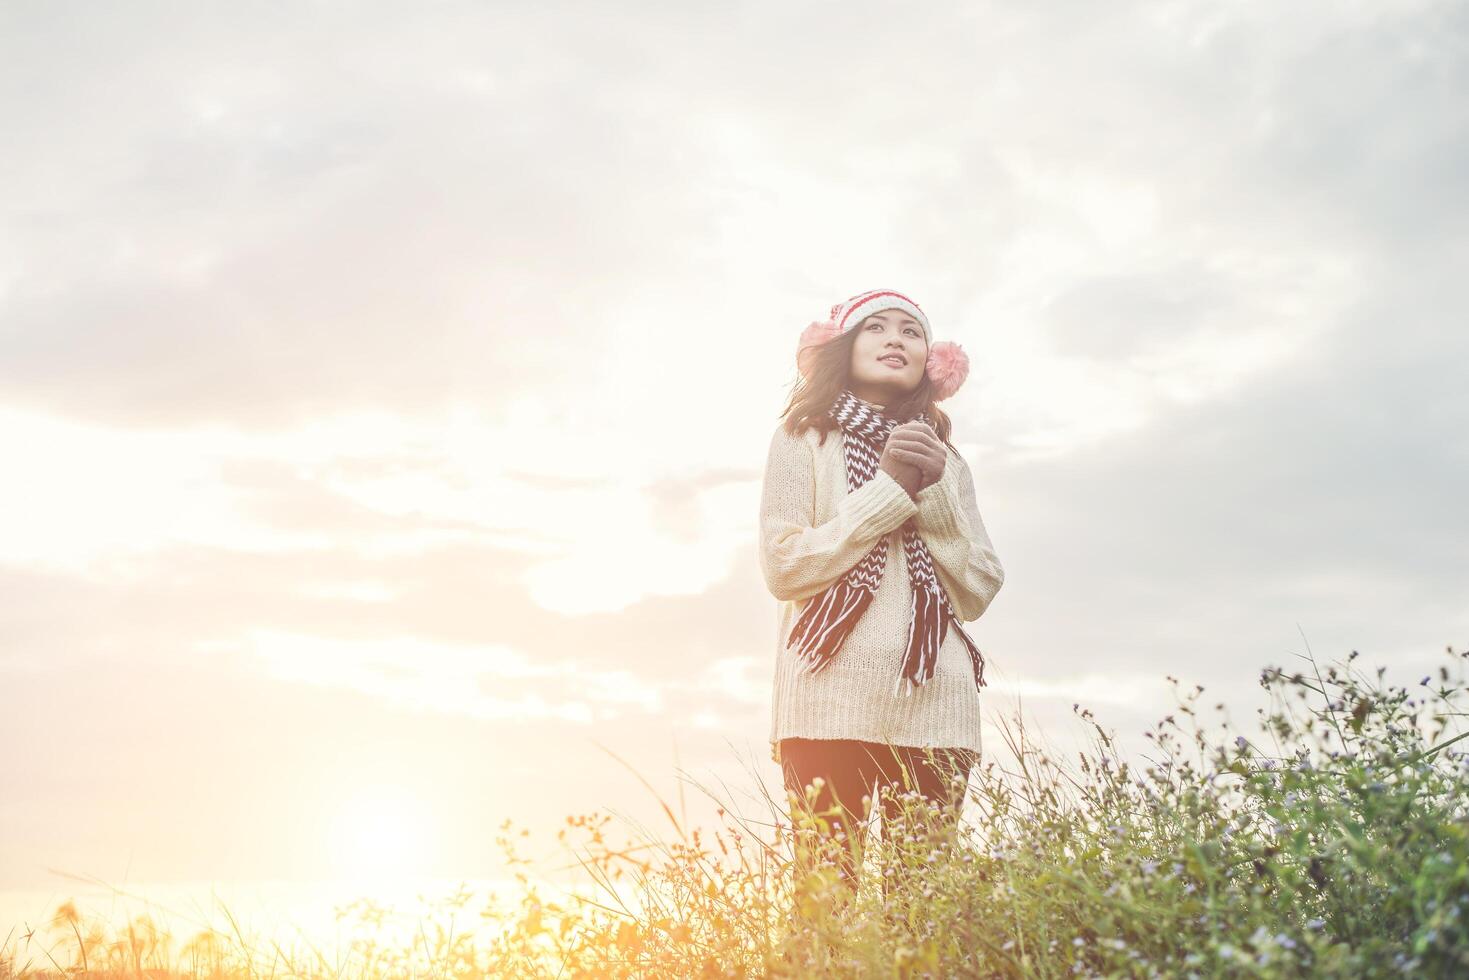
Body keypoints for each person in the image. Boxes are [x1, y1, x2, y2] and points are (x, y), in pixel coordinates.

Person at [757, 288, 1005, 923]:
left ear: (932, 362)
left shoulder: (947, 459)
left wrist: (931, 491)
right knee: (824, 907)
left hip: (936, 703)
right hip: (826, 698)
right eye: (876, 327)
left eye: (912, 332)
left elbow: (978, 585)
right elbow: (786, 567)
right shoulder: (801, 438)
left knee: (917, 914)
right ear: (841, 347)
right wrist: (890, 490)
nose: (896, 340)